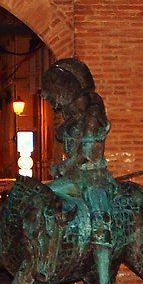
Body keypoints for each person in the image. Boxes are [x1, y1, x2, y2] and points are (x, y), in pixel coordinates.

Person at [41, 58, 115, 259]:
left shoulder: (92, 116)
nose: (54, 103)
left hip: (92, 177)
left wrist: (63, 167)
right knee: (42, 196)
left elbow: (88, 151)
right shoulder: (72, 117)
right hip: (74, 178)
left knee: (100, 227)